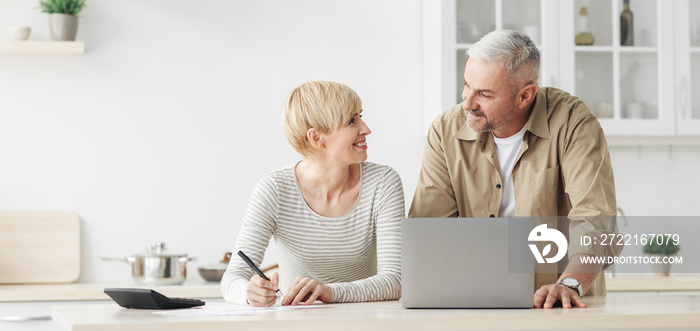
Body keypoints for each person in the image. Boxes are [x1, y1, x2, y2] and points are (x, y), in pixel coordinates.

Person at [408, 29, 618, 309]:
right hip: (476, 300)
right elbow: (429, 230)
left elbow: (594, 218)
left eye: (484, 93)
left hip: (558, 305)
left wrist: (570, 284)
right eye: (466, 85)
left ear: (525, 96)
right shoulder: (445, 131)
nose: (467, 102)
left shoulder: (572, 122)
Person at [221, 80, 404, 307]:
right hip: (296, 323)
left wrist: (329, 292)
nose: (365, 128)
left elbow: (394, 280)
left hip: (365, 323)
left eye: (360, 116)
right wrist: (248, 292)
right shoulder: (275, 189)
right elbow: (232, 278)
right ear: (317, 138)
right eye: (351, 121)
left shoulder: (383, 183)